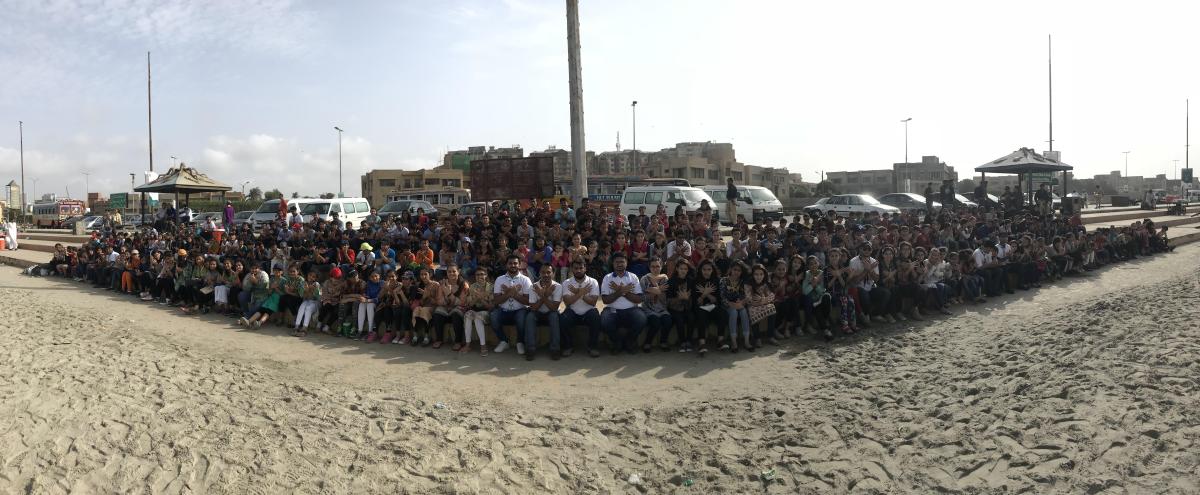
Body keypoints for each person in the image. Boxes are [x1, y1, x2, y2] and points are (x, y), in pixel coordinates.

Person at [599, 252, 645, 355]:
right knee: (604, 320)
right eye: (617, 262)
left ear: (626, 263)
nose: (619, 264)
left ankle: (630, 341)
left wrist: (622, 292)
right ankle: (617, 342)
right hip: (612, 310)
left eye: (622, 262)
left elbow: (639, 299)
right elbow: (605, 300)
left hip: (632, 309)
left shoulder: (633, 277)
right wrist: (620, 292)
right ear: (613, 263)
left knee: (641, 318)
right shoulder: (607, 278)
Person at [490, 254, 532, 354]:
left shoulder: (525, 280)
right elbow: (496, 300)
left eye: (515, 263)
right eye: (510, 263)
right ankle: (503, 341)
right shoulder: (499, 279)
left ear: (519, 264)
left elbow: (528, 301)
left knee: (521, 319)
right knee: (493, 317)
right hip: (503, 310)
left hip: (520, 310)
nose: (513, 265)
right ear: (506, 265)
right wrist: (509, 293)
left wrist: (513, 294)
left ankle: (520, 342)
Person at [559, 259, 602, 357]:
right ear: (572, 269)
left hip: (589, 311)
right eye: (576, 268)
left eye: (581, 268)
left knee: (596, 317)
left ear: (585, 268)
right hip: (572, 311)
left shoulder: (593, 282)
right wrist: (581, 293)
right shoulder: (566, 283)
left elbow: (593, 302)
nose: (578, 270)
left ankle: (593, 347)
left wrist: (579, 294)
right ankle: (568, 346)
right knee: (563, 319)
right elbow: (568, 302)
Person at [524, 264, 562, 361]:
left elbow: (554, 308)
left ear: (553, 274)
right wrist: (544, 295)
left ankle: (555, 349)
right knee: (530, 317)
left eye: (548, 272)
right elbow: (533, 308)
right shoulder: (534, 286)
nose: (546, 275)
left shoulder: (557, 286)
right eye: (543, 272)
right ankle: (530, 349)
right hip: (537, 312)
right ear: (539, 273)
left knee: (554, 316)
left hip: (551, 312)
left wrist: (542, 296)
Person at [639, 258, 672, 352]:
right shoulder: (644, 279)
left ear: (661, 267)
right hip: (648, 308)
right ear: (649, 267)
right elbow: (642, 298)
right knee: (655, 323)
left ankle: (663, 341)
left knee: (667, 321)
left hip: (662, 308)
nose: (655, 269)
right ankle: (647, 343)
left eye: (657, 266)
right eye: (653, 266)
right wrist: (657, 291)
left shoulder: (665, 279)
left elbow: (665, 299)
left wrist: (656, 290)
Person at [462, 268, 492, 356]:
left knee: (477, 318)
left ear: (486, 275)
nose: (480, 276)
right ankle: (468, 345)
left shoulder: (490, 287)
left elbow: (490, 306)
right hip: (475, 309)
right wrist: (477, 298)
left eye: (482, 274)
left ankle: (483, 346)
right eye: (477, 275)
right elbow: (470, 304)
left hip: (487, 311)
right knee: (468, 315)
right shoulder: (472, 287)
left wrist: (480, 298)